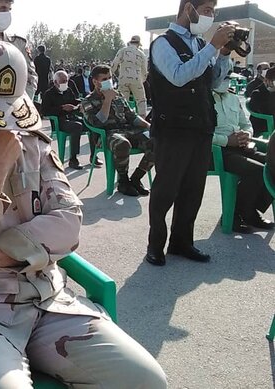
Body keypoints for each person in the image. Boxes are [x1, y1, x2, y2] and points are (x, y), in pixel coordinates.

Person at [0, 39, 167, 389]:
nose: (5, 124)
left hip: (50, 301)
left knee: (146, 380)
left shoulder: (34, 145)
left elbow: (68, 225)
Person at [146, 0, 235, 266]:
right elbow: (178, 75)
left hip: (200, 128)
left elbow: (214, 82)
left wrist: (224, 54)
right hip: (173, 128)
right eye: (207, 10)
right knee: (165, 190)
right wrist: (212, 47)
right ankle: (155, 245)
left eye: (213, 11)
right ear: (189, 10)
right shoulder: (163, 43)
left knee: (193, 190)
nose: (211, 16)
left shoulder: (199, 45)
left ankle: (181, 242)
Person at [211, 77, 274, 233]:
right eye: (221, 76)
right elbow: (201, 133)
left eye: (227, 76)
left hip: (240, 146)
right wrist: (227, 140)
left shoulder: (232, 97)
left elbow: (246, 123)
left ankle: (251, 210)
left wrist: (246, 134)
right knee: (258, 170)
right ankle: (234, 214)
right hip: (217, 150)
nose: (225, 80)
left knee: (272, 164)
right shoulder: (202, 99)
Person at [82, 65, 154, 196]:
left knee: (156, 141)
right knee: (123, 143)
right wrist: (107, 99)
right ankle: (123, 181)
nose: (109, 81)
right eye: (104, 79)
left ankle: (136, 179)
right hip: (107, 135)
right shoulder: (88, 101)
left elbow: (132, 116)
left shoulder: (118, 95)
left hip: (127, 130)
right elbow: (97, 123)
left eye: (110, 77)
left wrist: (149, 126)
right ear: (94, 81)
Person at [42, 70, 97, 170]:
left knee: (91, 123)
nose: (65, 83)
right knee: (77, 126)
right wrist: (61, 108)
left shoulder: (68, 90)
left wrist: (81, 104)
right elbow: (45, 111)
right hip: (59, 121)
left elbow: (74, 101)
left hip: (71, 117)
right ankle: (73, 159)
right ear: (55, 82)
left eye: (66, 81)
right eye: (62, 81)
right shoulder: (49, 94)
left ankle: (94, 156)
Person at [111, 35, 149, 117]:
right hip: (136, 79)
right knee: (141, 100)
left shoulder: (123, 51)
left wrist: (111, 76)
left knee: (122, 100)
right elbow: (144, 71)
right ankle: (142, 119)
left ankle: (122, 119)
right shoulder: (141, 54)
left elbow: (114, 64)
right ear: (138, 44)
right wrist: (141, 81)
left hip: (123, 79)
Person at [248, 66, 275, 136]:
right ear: (267, 80)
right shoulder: (257, 93)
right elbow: (267, 111)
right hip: (263, 122)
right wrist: (272, 93)